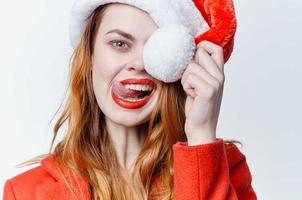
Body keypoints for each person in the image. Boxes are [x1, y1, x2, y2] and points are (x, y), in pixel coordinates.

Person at [3, 0, 257, 199]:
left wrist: (201, 134)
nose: (138, 64)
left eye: (155, 49)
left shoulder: (224, 171)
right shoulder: (27, 192)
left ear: (180, 66)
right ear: (89, 56)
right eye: (119, 44)